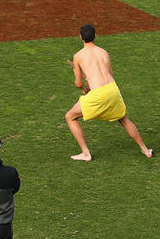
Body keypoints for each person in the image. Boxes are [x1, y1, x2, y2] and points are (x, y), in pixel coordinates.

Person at [64, 24, 153, 161]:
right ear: (96, 35)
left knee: (70, 116)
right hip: (112, 89)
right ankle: (145, 150)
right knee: (123, 119)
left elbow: (78, 83)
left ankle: (86, 153)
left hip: (98, 94)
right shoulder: (104, 52)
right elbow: (109, 74)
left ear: (80, 37)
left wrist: (85, 89)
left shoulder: (78, 56)